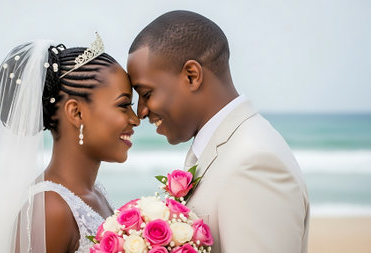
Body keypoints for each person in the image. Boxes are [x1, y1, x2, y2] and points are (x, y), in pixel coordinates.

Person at [127, 10, 309, 252]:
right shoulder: (227, 149)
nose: (141, 112)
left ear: (192, 76)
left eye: (147, 94)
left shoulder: (254, 163)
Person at [0, 33, 140, 253]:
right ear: (76, 112)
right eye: (123, 105)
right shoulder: (51, 209)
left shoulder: (95, 193)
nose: (135, 119)